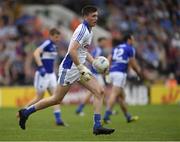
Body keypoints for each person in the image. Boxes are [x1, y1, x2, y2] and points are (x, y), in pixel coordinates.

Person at [17, 5, 115, 135]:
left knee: (99, 91)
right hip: (69, 68)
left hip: (78, 67)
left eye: (97, 16)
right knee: (56, 99)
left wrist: (94, 62)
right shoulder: (83, 30)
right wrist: (81, 68)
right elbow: (72, 51)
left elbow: (83, 52)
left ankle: (97, 126)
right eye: (93, 16)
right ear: (85, 17)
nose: (96, 18)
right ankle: (26, 112)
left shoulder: (89, 30)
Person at [103, 34, 142, 123]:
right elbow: (133, 64)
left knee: (121, 96)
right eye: (133, 39)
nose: (134, 41)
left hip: (112, 72)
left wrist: (107, 71)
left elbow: (108, 60)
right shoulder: (130, 48)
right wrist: (138, 73)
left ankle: (128, 116)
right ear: (128, 39)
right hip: (120, 73)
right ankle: (106, 116)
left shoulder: (115, 48)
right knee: (114, 94)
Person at [76, 37, 112, 116]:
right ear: (99, 42)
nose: (105, 43)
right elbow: (96, 63)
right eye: (103, 41)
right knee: (98, 91)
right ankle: (80, 108)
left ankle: (108, 110)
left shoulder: (96, 50)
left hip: (94, 73)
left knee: (101, 91)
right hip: (96, 74)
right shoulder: (98, 50)